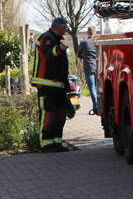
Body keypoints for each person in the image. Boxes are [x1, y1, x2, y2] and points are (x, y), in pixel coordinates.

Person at [30, 17, 74, 152]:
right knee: (48, 115)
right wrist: (59, 49)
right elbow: (48, 54)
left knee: (60, 115)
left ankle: (56, 142)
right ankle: (46, 144)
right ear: (58, 27)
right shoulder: (46, 38)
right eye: (64, 28)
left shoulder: (56, 39)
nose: (66, 30)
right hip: (47, 86)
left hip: (58, 86)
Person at [77, 26, 99, 114]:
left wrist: (85, 57)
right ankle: (100, 105)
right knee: (98, 87)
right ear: (95, 32)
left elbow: (78, 54)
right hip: (98, 66)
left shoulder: (83, 42)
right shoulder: (97, 42)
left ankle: (96, 106)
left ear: (87, 32)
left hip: (88, 66)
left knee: (92, 87)